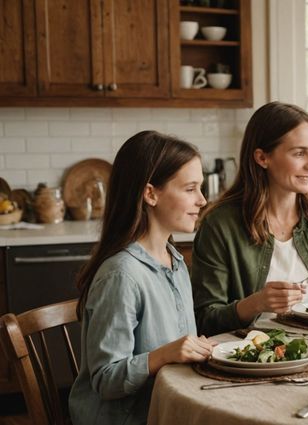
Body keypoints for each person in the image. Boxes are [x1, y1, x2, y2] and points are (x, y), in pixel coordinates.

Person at [69, 131, 216, 425]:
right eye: (190, 188)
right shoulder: (122, 275)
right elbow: (106, 380)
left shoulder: (175, 260)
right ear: (151, 194)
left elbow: (180, 349)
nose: (202, 200)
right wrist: (163, 355)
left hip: (168, 407)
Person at [192, 102, 308, 336]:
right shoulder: (220, 225)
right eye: (299, 153)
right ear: (263, 158)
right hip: (249, 361)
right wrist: (255, 304)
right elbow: (203, 319)